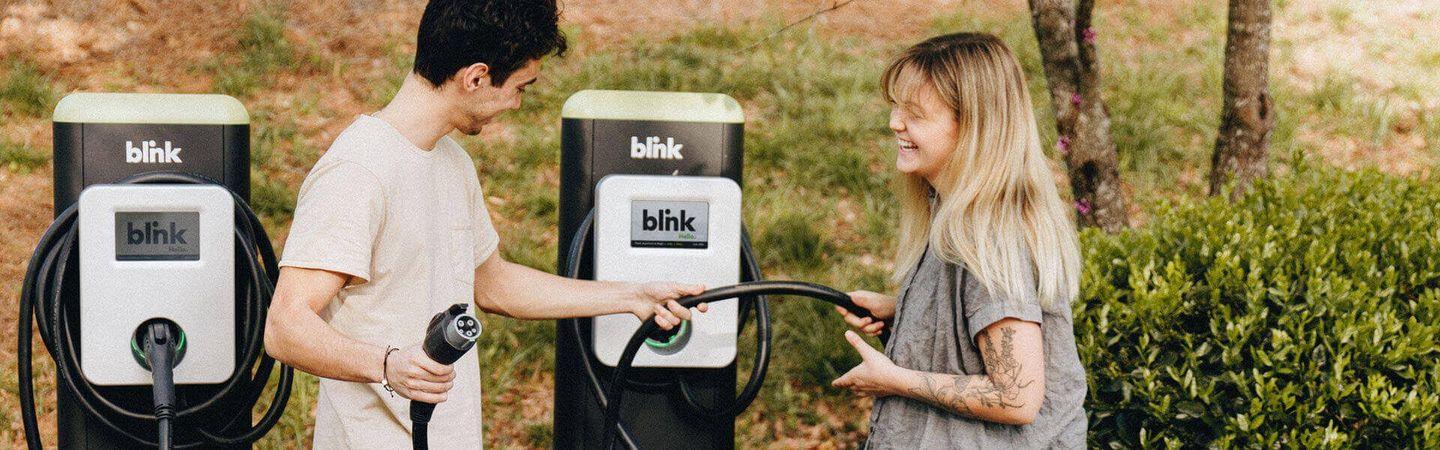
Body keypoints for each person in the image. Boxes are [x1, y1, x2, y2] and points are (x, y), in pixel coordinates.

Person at [262, 1, 706, 448]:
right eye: (520, 88)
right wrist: (388, 364)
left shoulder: (451, 161)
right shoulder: (358, 171)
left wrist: (632, 296)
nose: (515, 103)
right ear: (475, 78)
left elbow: (493, 285)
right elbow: (285, 326)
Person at [830, 32, 1088, 448]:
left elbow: (1017, 396)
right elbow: (987, 316)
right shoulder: (955, 213)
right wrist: (907, 313)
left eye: (915, 113)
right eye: (896, 107)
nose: (895, 122)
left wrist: (893, 379)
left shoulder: (991, 236)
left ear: (972, 127)